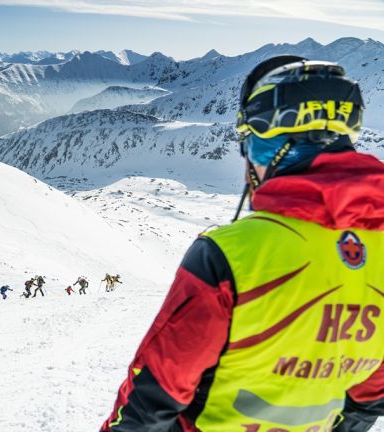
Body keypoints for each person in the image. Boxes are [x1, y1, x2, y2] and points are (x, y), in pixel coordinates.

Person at [102, 57, 384, 432]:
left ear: (272, 146)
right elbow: (368, 399)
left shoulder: (228, 255)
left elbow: (153, 397)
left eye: (252, 144)